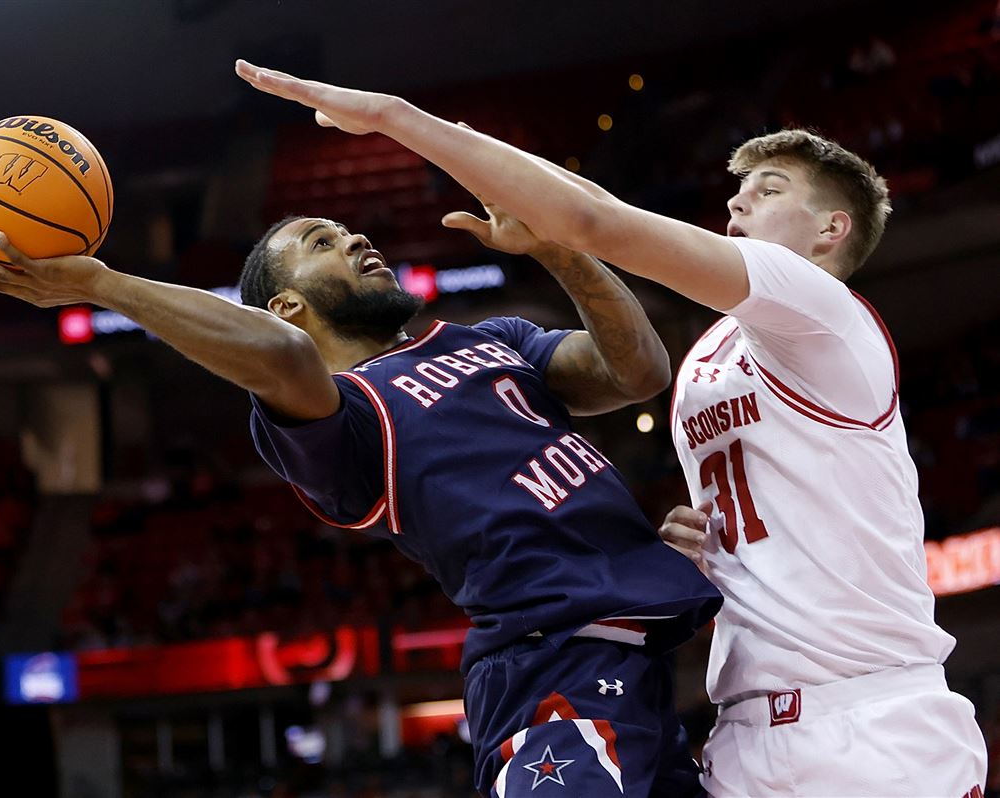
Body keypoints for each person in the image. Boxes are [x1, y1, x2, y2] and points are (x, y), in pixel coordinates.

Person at [233, 60, 988, 796]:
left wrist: (395, 119)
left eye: (769, 189)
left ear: (831, 228)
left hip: (869, 715)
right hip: (744, 731)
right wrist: (709, 543)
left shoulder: (820, 307)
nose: (738, 201)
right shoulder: (714, 353)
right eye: (739, 188)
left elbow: (592, 217)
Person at [0, 191, 722, 794]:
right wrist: (101, 284)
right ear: (287, 306)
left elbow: (638, 373)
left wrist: (558, 249)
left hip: (638, 655)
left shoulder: (490, 339)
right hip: (551, 665)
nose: (356, 239)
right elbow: (285, 358)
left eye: (347, 232)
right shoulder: (343, 419)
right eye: (320, 242)